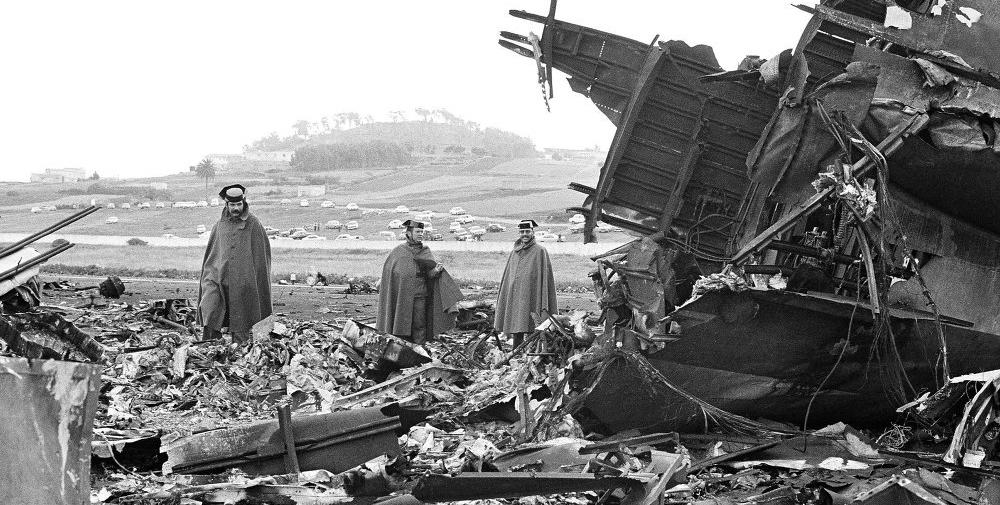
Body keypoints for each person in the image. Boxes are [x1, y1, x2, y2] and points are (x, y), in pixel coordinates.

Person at [197, 184, 272, 343]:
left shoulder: (254, 224)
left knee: (241, 321)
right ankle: (209, 348)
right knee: (210, 309)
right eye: (232, 205)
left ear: (244, 203)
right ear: (227, 204)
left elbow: (261, 259)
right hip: (218, 279)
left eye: (239, 204)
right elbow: (212, 255)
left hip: (243, 282)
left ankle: (240, 353)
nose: (236, 208)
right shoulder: (219, 225)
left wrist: (253, 282)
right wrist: (209, 276)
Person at [377, 220, 462, 344]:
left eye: (422, 232)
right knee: (400, 324)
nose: (420, 234)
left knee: (419, 324)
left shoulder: (425, 251)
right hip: (402, 295)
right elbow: (390, 273)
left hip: (419, 294)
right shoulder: (398, 252)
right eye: (417, 231)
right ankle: (400, 348)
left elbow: (428, 276)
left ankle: (419, 349)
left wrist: (435, 271)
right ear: (409, 233)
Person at [495, 219, 558, 347]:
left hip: (532, 293)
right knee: (516, 322)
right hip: (516, 294)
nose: (525, 234)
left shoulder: (540, 251)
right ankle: (516, 351)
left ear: (532, 232)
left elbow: (544, 278)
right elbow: (510, 274)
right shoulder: (515, 252)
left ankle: (533, 350)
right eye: (522, 231)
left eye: (527, 231)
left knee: (532, 322)